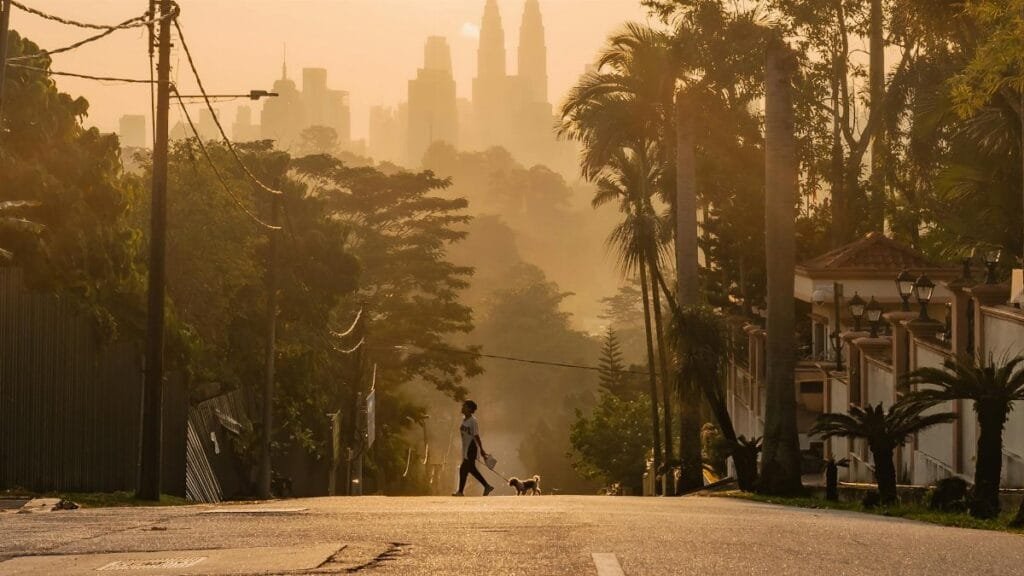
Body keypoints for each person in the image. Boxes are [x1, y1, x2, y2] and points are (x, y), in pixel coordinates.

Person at [453, 400, 494, 496]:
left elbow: (476, 436)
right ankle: (487, 486)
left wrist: (482, 450)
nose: (462, 408)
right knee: (470, 469)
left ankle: (460, 492)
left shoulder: (473, 421)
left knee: (464, 469)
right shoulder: (464, 420)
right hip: (466, 449)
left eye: (465, 406)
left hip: (471, 448)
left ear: (470, 409)